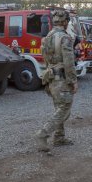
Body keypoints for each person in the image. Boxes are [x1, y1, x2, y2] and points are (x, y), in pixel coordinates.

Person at [35, 9, 78, 152]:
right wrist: (73, 81)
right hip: (62, 79)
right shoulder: (65, 38)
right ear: (65, 22)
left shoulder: (48, 37)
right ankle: (43, 133)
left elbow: (45, 59)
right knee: (64, 108)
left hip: (51, 77)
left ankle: (59, 137)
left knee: (58, 107)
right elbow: (69, 62)